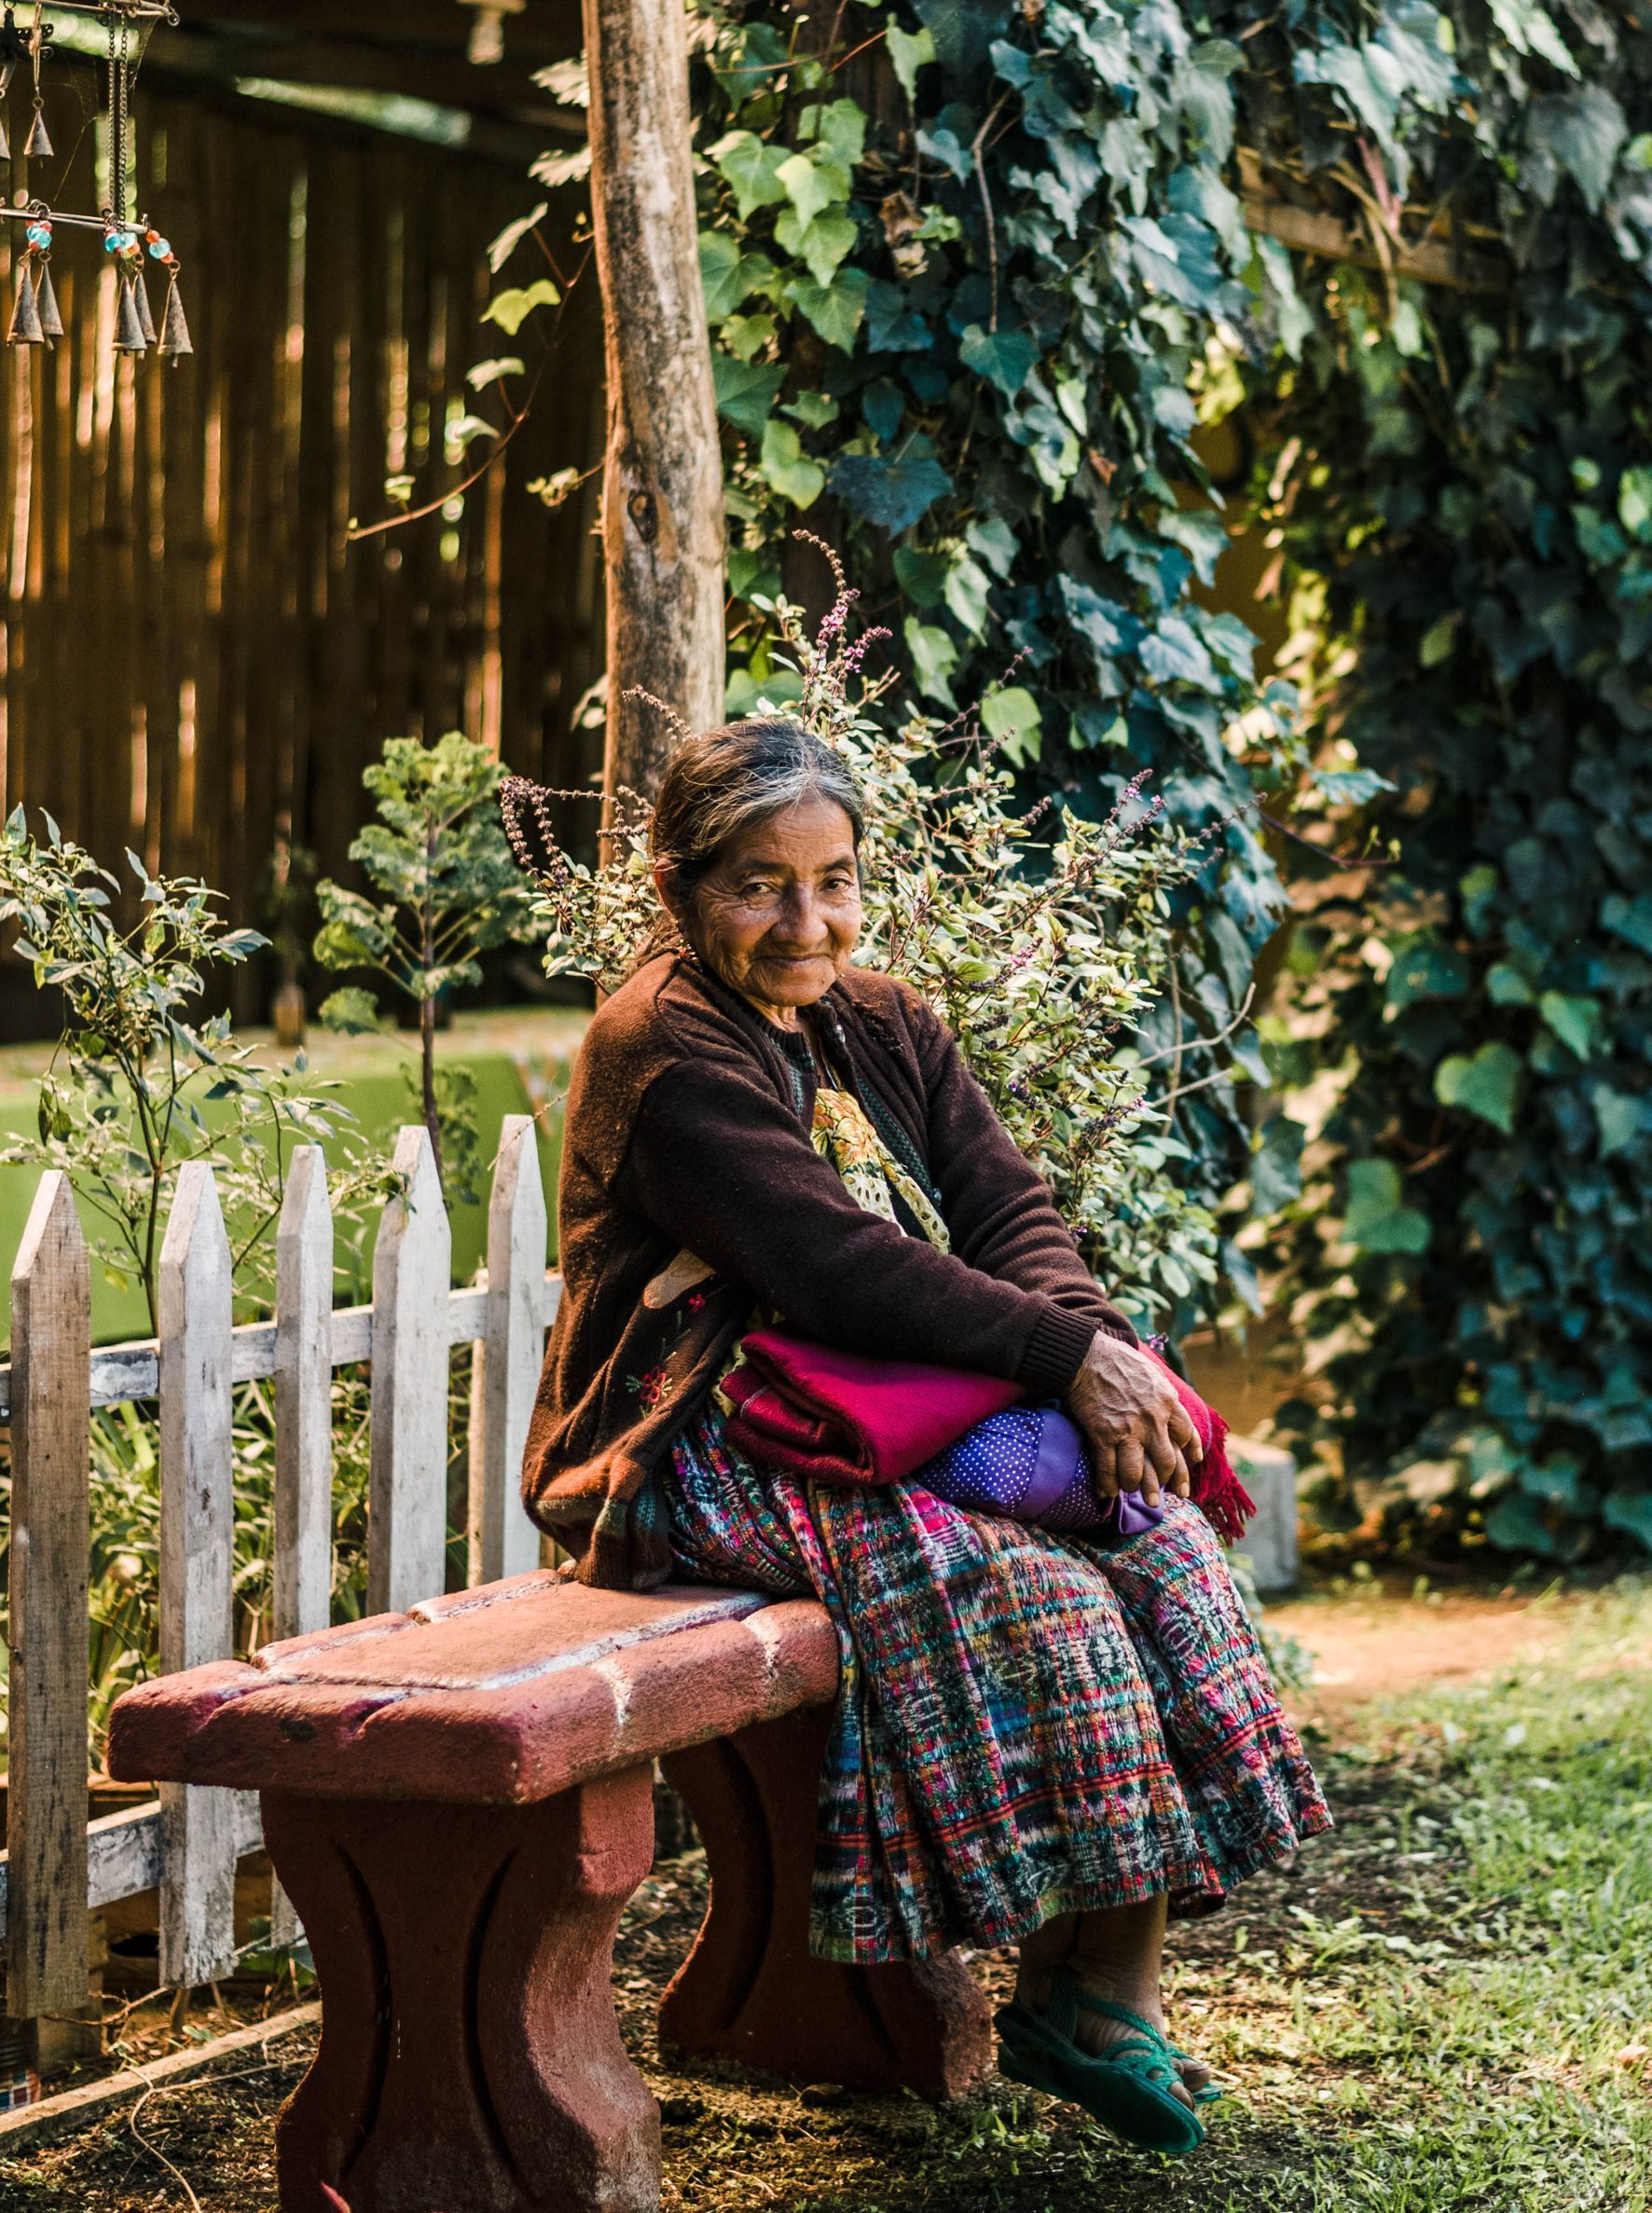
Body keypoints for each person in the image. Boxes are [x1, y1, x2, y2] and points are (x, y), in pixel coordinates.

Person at [522, 716, 1329, 2153]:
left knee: (1158, 1540)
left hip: (873, 1409)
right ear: (679, 886)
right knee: (1039, 1590)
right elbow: (838, 1263)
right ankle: (1052, 1985)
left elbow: (1010, 1208)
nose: (806, 919)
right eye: (761, 884)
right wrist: (1058, 1356)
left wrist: (1094, 1354)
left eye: (832, 879)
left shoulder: (883, 1021)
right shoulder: (665, 1051)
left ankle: (1103, 1989)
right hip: (694, 1438)